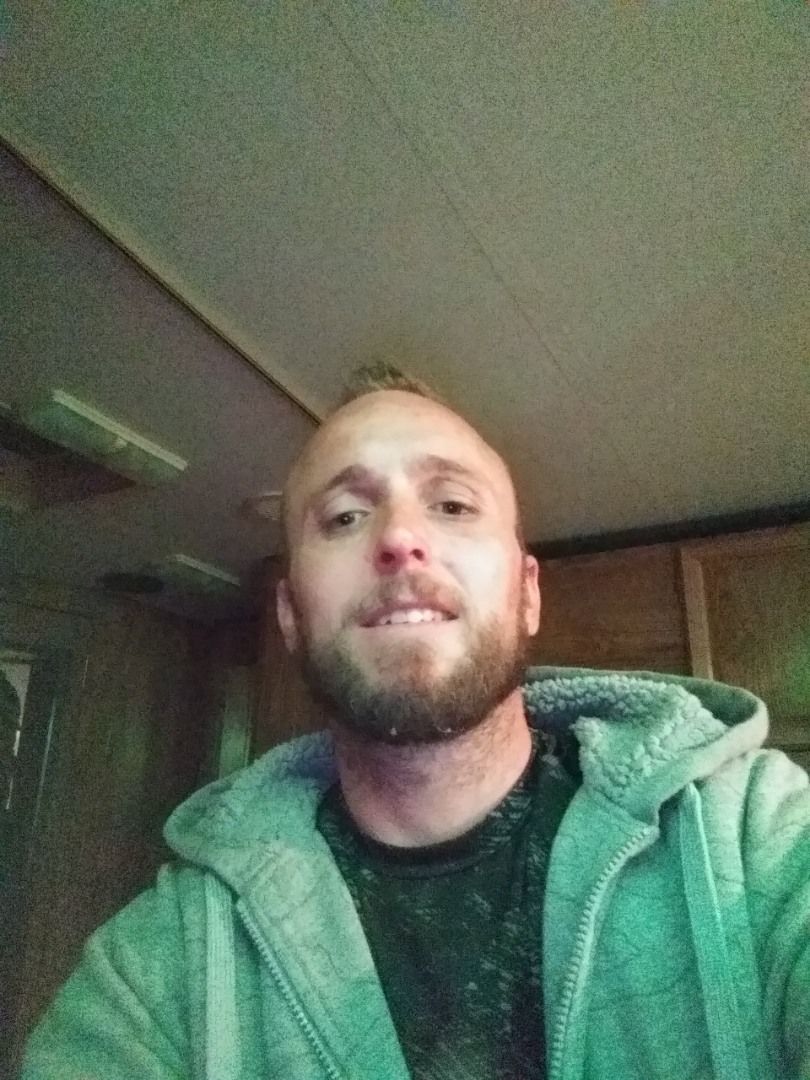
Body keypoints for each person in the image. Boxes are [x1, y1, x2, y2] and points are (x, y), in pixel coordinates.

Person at [22, 367, 810, 1079]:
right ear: (291, 615)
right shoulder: (160, 970)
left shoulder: (756, 835)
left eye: (453, 506)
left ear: (528, 593)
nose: (400, 539)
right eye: (344, 517)